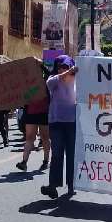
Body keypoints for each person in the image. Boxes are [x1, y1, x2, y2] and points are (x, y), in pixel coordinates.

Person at [40, 55, 77, 199]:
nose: (63, 69)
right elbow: (49, 84)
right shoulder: (53, 79)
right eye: (61, 66)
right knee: (56, 155)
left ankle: (72, 184)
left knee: (72, 154)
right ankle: (53, 185)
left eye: (66, 66)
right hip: (56, 122)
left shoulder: (77, 80)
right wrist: (67, 73)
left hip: (72, 122)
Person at [16, 87, 50, 172]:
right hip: (32, 113)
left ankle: (46, 161)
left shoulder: (46, 81)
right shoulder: (29, 83)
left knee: (45, 138)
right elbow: (25, 97)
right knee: (30, 138)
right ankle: (24, 162)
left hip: (43, 113)